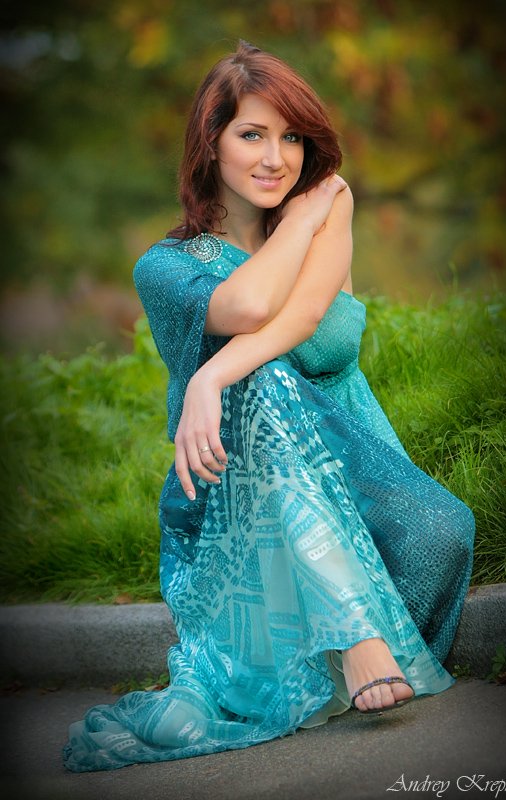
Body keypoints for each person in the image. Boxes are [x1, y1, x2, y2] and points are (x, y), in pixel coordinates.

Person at [63, 41, 475, 773]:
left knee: (443, 532)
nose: (276, 158)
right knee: (262, 380)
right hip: (240, 513)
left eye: (291, 137)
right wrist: (219, 376)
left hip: (357, 475)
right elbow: (252, 305)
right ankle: (354, 635)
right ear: (210, 141)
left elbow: (304, 316)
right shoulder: (166, 267)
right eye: (251, 134)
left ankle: (326, 653)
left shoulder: (327, 205)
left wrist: (206, 376)